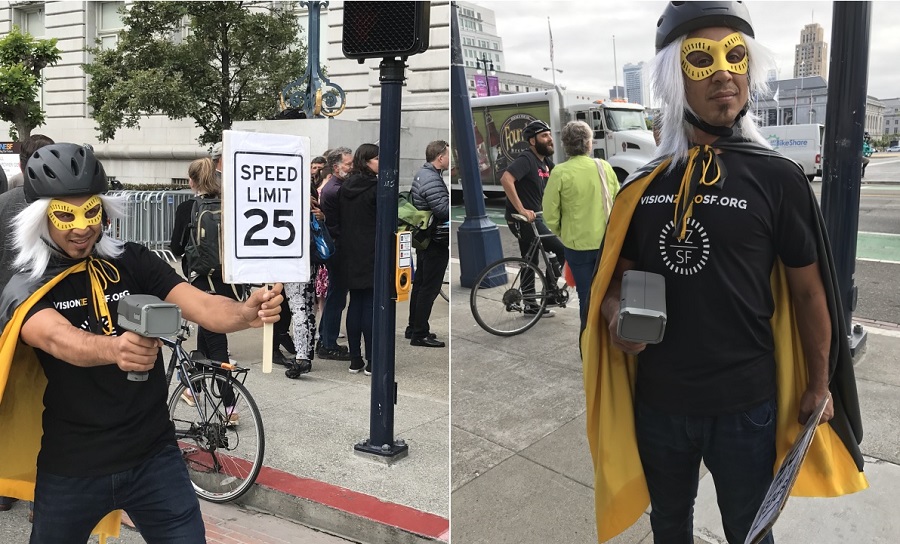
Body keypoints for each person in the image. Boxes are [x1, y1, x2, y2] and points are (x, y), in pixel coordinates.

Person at [581, 3, 867, 543]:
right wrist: (619, 313)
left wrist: (819, 382)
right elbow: (616, 278)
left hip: (746, 406)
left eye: (734, 57)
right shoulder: (643, 188)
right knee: (669, 523)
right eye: (700, 59)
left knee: (751, 531)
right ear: (673, 76)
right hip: (661, 402)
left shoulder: (778, 179)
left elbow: (810, 294)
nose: (722, 74)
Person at [0, 143, 283, 542]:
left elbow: (200, 304)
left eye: (91, 211)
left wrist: (245, 313)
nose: (81, 227)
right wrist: (114, 349)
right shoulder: (25, 286)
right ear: (40, 219)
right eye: (65, 215)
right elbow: (59, 339)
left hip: (155, 457)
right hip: (74, 465)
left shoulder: (133, 260)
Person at [0, 134, 54, 517]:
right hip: (53, 319)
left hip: (8, 319)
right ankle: (41, 491)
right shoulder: (61, 207)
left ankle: (7, 487)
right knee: (51, 404)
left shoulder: (4, 204)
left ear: (20, 166)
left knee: (10, 403)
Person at [542, 121, 619, 329]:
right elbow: (618, 201)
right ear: (589, 144)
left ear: (565, 145)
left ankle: (588, 341)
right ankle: (608, 337)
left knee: (586, 296)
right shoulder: (604, 167)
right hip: (606, 244)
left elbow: (549, 213)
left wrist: (563, 230)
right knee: (609, 292)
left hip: (577, 246)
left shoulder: (559, 172)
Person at [500, 119, 566, 317]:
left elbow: (561, 181)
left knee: (531, 260)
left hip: (533, 218)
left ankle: (530, 304)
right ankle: (550, 295)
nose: (549, 139)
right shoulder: (527, 158)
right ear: (532, 141)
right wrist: (521, 209)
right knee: (560, 249)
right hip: (521, 219)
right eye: (544, 136)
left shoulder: (545, 162)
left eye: (549, 134)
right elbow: (506, 179)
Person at [338, 143, 380, 375]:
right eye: (376, 159)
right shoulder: (376, 187)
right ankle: (372, 360)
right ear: (366, 161)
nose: (380, 162)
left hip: (350, 251)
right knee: (370, 305)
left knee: (355, 303)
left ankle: (355, 359)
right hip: (371, 250)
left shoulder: (346, 186)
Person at [406, 140, 450, 348]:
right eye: (448, 155)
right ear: (440, 157)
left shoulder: (424, 174)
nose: (450, 159)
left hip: (425, 238)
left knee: (421, 285)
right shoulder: (432, 178)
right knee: (429, 288)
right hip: (435, 240)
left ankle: (412, 327)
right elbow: (442, 210)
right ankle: (419, 333)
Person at [317, 147, 354, 361]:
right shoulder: (335, 189)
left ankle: (326, 339)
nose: (351, 167)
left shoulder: (336, 186)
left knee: (335, 296)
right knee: (336, 296)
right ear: (335, 166)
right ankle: (328, 342)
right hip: (337, 247)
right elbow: (339, 224)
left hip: (337, 246)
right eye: (347, 164)